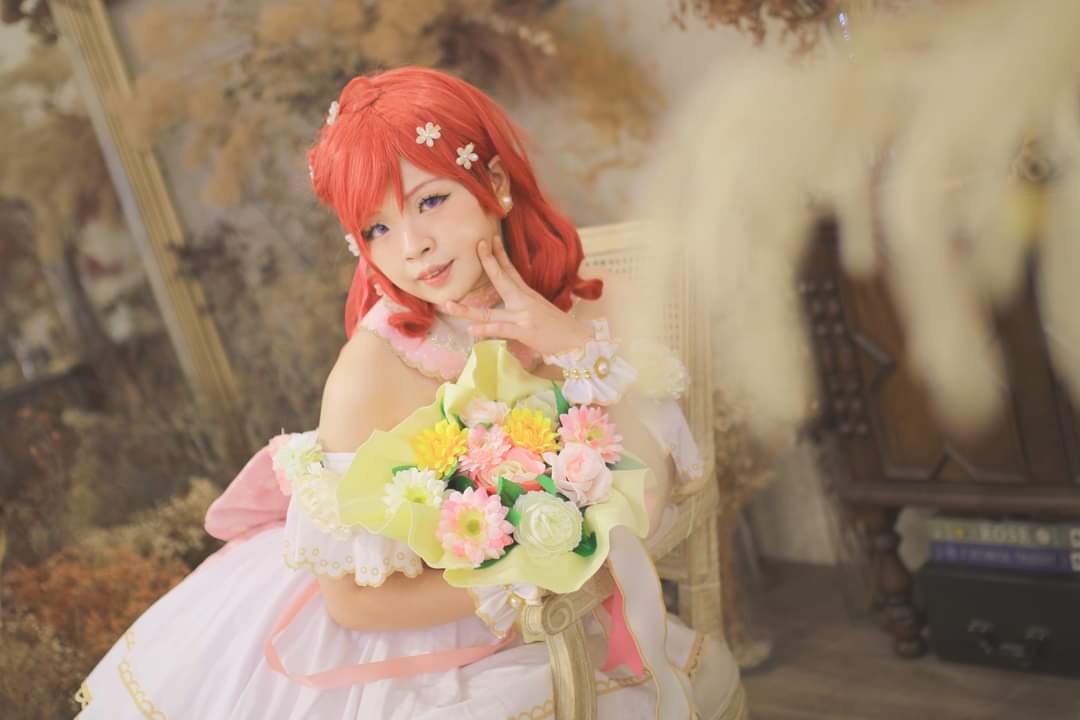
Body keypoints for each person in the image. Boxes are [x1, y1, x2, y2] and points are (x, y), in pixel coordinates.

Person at [74, 66, 738, 719]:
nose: (413, 246)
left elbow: (655, 491)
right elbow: (352, 603)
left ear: (494, 183)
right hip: (399, 645)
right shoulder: (372, 371)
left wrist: (571, 345)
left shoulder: (601, 305)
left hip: (561, 618)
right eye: (377, 229)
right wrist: (520, 581)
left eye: (429, 201)